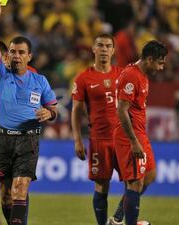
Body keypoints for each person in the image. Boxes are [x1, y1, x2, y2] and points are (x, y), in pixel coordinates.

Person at [0, 2, 58, 225]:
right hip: (2, 140)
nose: (16, 56)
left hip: (28, 141)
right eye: (12, 52)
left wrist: (49, 114)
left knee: (20, 188)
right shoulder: (0, 75)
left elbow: (54, 109)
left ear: (29, 56)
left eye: (21, 52)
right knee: (6, 193)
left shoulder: (40, 81)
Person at [71, 34, 125, 225]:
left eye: (107, 46)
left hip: (123, 139)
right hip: (99, 139)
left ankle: (118, 218)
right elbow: (76, 111)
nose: (103, 49)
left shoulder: (122, 74)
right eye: (100, 45)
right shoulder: (83, 78)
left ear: (112, 50)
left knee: (136, 181)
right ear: (93, 49)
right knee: (102, 185)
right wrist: (77, 140)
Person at [114, 40, 167, 225]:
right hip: (129, 136)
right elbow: (121, 110)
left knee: (150, 175)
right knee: (135, 182)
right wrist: (133, 141)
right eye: (160, 63)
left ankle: (119, 217)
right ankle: (128, 222)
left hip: (140, 134)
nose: (161, 67)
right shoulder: (131, 76)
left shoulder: (142, 74)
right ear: (149, 59)